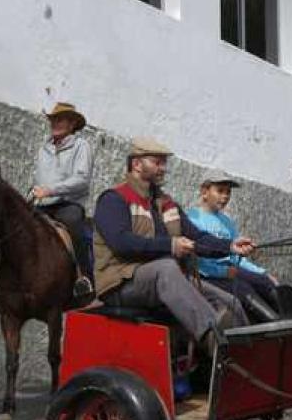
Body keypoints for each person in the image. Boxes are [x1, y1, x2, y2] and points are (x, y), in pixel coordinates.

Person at [93, 137, 253, 355]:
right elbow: (121, 243)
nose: (163, 168)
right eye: (157, 162)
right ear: (137, 164)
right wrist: (170, 245)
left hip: (163, 278)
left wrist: (230, 246)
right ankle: (215, 339)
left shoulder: (166, 203)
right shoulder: (113, 199)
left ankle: (244, 357)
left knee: (229, 301)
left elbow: (197, 238)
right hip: (121, 282)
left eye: (164, 162)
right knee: (167, 267)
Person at [186, 173, 280, 324]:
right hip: (209, 275)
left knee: (265, 282)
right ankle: (275, 323)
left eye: (228, 192)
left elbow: (238, 258)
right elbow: (197, 261)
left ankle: (290, 318)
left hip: (232, 270)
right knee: (244, 290)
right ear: (204, 192)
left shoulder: (227, 221)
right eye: (220, 190)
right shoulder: (192, 218)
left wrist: (263, 272)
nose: (225, 196)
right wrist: (223, 272)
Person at [32, 102, 94, 298]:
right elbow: (39, 180)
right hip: (42, 204)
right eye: (53, 120)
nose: (55, 123)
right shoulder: (44, 149)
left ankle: (84, 277)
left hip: (68, 204)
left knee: (75, 224)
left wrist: (51, 191)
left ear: (72, 124)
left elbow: (82, 181)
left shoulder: (81, 146)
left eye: (61, 120)